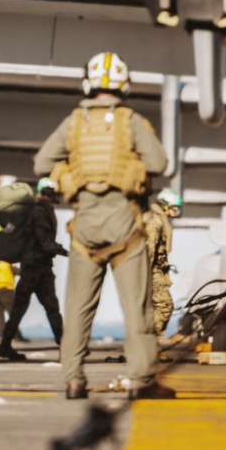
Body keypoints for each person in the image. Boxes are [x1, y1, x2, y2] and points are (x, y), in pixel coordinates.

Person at [34, 51, 168, 399]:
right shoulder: (130, 120)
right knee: (137, 309)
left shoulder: (74, 122)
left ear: (88, 83)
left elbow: (41, 163)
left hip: (85, 230)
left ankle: (74, 381)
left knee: (78, 309)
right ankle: (141, 383)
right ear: (123, 84)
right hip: (125, 225)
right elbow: (159, 162)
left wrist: (68, 174)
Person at [0, 178, 65, 361]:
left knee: (20, 308)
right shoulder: (40, 211)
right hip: (38, 268)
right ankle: (67, 348)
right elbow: (45, 241)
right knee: (51, 308)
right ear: (49, 193)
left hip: (32, 267)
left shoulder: (41, 210)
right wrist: (67, 252)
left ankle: (5, 345)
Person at [143, 188, 182, 336]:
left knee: (157, 308)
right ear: (165, 205)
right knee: (165, 306)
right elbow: (149, 250)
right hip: (151, 271)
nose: (176, 210)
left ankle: (152, 346)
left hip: (156, 270)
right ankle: (152, 345)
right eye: (174, 206)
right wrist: (145, 275)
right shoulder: (155, 223)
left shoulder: (159, 221)